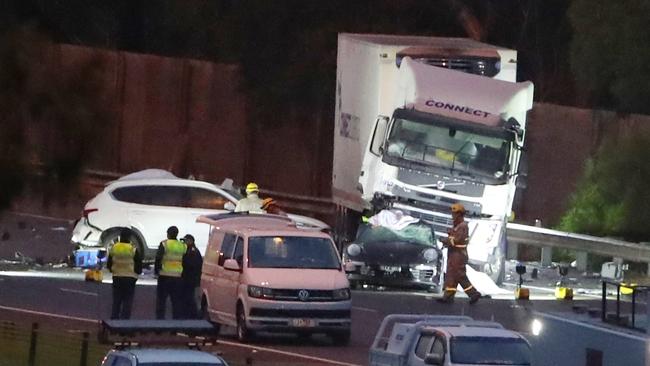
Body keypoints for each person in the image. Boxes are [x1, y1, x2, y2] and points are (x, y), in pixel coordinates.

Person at [437, 203, 481, 304]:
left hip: (459, 255)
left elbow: (456, 240)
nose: (452, 215)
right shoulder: (457, 226)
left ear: (460, 214)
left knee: (459, 275)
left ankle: (473, 293)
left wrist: (445, 240)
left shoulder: (462, 226)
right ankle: (448, 296)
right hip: (453, 254)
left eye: (454, 213)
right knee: (451, 275)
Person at [107, 228, 143, 319]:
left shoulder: (114, 247)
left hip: (117, 277)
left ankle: (114, 321)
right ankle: (124, 323)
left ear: (120, 236)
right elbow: (138, 265)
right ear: (130, 237)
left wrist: (113, 270)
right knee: (127, 302)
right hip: (130, 278)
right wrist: (137, 273)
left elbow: (109, 263)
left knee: (116, 301)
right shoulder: (133, 249)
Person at [155, 226, 187, 319]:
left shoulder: (164, 244)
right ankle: (175, 325)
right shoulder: (182, 245)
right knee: (176, 302)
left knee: (161, 302)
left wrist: (157, 271)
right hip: (177, 277)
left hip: (164, 276)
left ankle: (160, 324)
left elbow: (158, 258)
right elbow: (185, 260)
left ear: (168, 233)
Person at [181, 234, 203, 319]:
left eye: (186, 240)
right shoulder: (190, 250)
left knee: (190, 297)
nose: (184, 242)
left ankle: (193, 315)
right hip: (189, 278)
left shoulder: (193, 251)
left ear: (191, 241)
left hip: (191, 279)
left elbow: (192, 265)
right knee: (187, 297)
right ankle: (189, 314)